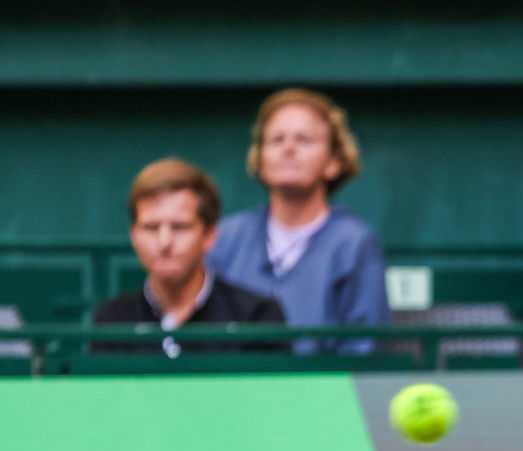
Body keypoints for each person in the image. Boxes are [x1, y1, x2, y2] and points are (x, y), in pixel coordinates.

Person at [208, 88, 388, 346]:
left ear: (334, 161)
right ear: (259, 159)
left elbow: (364, 348)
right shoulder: (226, 236)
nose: (288, 148)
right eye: (276, 140)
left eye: (304, 139)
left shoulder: (354, 243)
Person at [92, 158, 286, 357]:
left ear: (209, 235)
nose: (164, 242)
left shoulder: (256, 317)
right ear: (133, 234)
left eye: (179, 227)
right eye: (151, 228)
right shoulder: (111, 320)